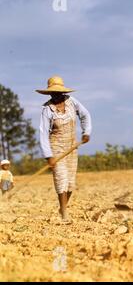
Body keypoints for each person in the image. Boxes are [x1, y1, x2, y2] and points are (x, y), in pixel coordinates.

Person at [37, 76, 92, 222]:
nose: (56, 95)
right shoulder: (47, 109)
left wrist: (86, 132)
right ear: (49, 93)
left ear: (62, 92)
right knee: (61, 178)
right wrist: (49, 156)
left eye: (58, 92)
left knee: (70, 183)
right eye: (53, 92)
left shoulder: (72, 102)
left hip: (72, 146)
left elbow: (85, 115)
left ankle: (62, 208)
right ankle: (64, 214)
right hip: (56, 146)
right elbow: (43, 133)